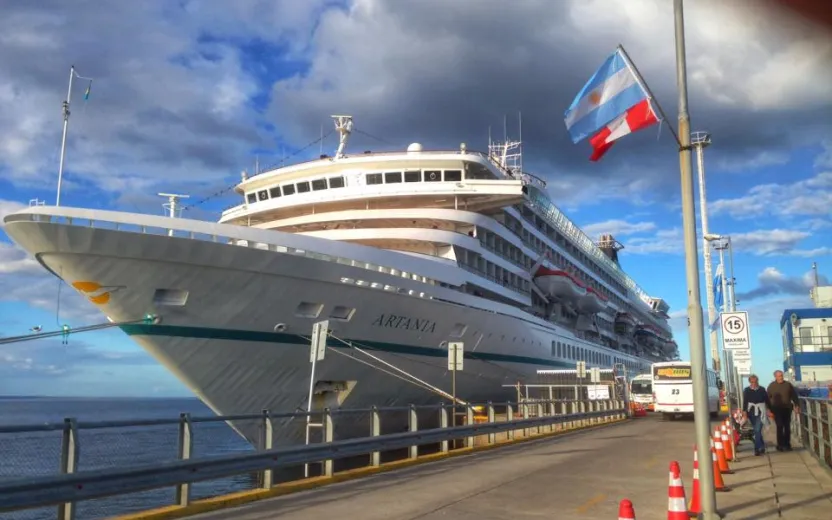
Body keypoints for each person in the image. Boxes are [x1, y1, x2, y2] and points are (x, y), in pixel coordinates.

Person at [766, 370, 800, 451]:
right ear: (775, 377)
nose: (781, 377)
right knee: (780, 426)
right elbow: (767, 399)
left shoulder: (788, 385)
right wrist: (768, 410)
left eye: (781, 375)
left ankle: (787, 444)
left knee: (787, 427)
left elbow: (794, 396)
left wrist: (797, 405)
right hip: (776, 410)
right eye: (779, 376)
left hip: (787, 409)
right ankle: (780, 445)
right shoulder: (771, 386)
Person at [742, 374, 771, 456]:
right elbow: (745, 401)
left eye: (755, 382)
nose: (754, 383)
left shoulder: (762, 389)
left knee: (757, 430)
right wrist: (744, 412)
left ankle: (757, 449)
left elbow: (767, 400)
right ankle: (762, 446)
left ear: (757, 381)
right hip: (750, 412)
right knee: (757, 430)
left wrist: (769, 409)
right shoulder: (747, 390)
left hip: (760, 412)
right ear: (750, 382)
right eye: (752, 382)